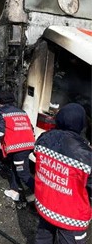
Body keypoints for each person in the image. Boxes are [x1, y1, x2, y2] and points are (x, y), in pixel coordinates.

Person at [34, 103, 92, 244]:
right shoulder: (86, 155)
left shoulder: (43, 139)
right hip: (71, 217)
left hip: (45, 207)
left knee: (43, 239)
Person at [0, 91, 35, 201]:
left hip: (19, 148)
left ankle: (41, 195)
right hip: (27, 145)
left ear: (0, 102)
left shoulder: (0, 111)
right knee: (14, 166)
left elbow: (0, 130)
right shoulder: (21, 112)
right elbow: (30, 128)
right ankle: (14, 191)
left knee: (23, 173)